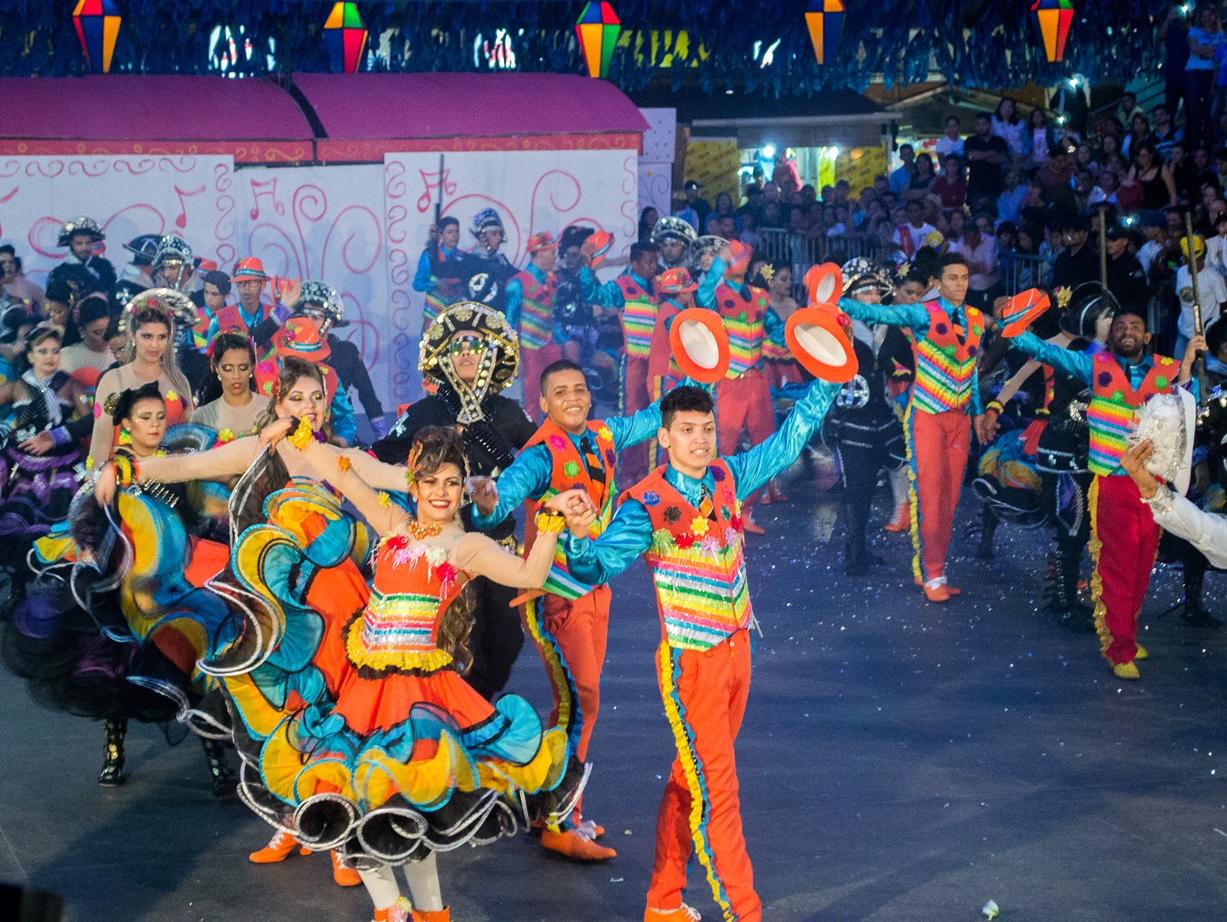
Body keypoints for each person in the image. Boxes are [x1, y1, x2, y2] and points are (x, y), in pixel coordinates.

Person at [200, 417, 587, 922]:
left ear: (463, 485)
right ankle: (392, 909)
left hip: (420, 697)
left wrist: (552, 521)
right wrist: (297, 434)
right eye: (430, 483)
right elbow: (341, 474)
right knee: (347, 800)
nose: (441, 493)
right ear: (416, 485)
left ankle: (429, 912)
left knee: (407, 808)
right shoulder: (394, 526)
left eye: (452, 482)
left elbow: (531, 574)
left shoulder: (466, 546)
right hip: (364, 692)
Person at [561, 376, 841, 922]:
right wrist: (575, 533)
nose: (700, 440)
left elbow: (784, 445)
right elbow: (594, 567)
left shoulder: (726, 476)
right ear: (663, 438)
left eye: (707, 429)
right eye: (686, 431)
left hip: (739, 653)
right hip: (692, 666)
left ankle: (663, 901)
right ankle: (745, 911)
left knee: (690, 779)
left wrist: (825, 385)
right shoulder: (644, 505)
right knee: (720, 791)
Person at [470, 358, 680, 862]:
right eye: (560, 391)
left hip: (594, 590)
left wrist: (699, 367)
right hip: (555, 598)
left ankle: (549, 805)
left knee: (573, 705)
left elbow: (655, 417)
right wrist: (485, 499)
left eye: (580, 389)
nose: (573, 397)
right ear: (542, 403)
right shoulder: (540, 456)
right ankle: (559, 823)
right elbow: (501, 503)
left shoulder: (604, 435)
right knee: (581, 705)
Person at [8, 382, 236, 796]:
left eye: (159, 418)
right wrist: (90, 550)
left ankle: (217, 761)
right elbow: (84, 515)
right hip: (121, 589)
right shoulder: (110, 471)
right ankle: (114, 752)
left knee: (193, 668)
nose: (154, 425)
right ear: (126, 424)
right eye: (144, 418)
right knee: (116, 672)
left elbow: (208, 512)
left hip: (176, 585)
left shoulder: (182, 462)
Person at [1007, 306, 1205, 678]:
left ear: (1147, 336)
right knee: (1117, 565)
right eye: (1120, 327)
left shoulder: (1167, 368)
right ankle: (1119, 648)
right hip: (1113, 482)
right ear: (1110, 337)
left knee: (1144, 563)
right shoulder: (1092, 366)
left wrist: (1191, 361)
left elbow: (1189, 402)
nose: (1127, 331)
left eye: (1135, 326)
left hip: (1153, 484)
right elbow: (1045, 352)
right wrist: (1012, 326)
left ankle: (1126, 631)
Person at [374, 304, 536, 701]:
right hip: (441, 549)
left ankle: (475, 704)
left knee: (505, 642)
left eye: (475, 346)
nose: (465, 353)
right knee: (451, 637)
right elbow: (380, 454)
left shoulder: (508, 412)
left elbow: (540, 461)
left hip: (495, 544)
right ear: (444, 357)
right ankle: (454, 715)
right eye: (457, 346)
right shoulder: (426, 410)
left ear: (490, 356)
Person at [838, 254, 990, 602]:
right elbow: (878, 313)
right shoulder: (923, 313)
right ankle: (932, 572)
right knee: (930, 495)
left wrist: (978, 413)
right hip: (927, 417)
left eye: (964, 277)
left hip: (960, 419)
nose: (960, 284)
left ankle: (936, 569)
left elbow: (972, 374)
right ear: (937, 283)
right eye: (952, 278)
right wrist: (835, 301)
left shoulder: (976, 319)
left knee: (950, 501)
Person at [825, 261, 908, 575]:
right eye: (865, 289)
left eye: (875, 289)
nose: (873, 294)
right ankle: (853, 551)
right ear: (852, 294)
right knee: (856, 487)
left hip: (882, 416)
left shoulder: (888, 325)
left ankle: (860, 548)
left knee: (871, 485)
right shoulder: (839, 326)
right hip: (851, 417)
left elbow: (908, 360)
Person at [0, 325, 92, 590]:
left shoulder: (70, 384)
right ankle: (18, 583)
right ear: (30, 356)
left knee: (56, 525)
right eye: (42, 351)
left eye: (55, 351)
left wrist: (59, 435)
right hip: (20, 466)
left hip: (62, 467)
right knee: (16, 519)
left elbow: (91, 419)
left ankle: (53, 584)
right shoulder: (16, 387)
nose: (50, 357)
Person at [696, 241, 779, 533]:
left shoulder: (760, 296)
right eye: (732, 255)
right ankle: (713, 513)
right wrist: (718, 262)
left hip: (757, 380)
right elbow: (702, 294)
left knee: (764, 448)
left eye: (741, 253)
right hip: (729, 381)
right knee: (722, 447)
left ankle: (745, 512)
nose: (737, 258)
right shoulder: (715, 294)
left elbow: (777, 328)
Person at [89, 290, 195, 470]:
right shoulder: (113, 380)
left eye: (161, 337)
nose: (155, 345)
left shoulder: (178, 380)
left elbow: (190, 440)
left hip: (171, 483)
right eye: (147, 336)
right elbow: (100, 441)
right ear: (132, 337)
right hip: (123, 483)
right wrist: (96, 484)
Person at [590, 241, 662, 484]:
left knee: (656, 415)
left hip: (659, 365)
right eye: (649, 262)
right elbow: (592, 294)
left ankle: (648, 469)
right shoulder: (622, 287)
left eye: (655, 261)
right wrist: (587, 268)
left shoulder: (660, 287)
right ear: (634, 263)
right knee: (632, 416)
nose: (654, 266)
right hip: (635, 361)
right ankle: (628, 472)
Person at [293, 280, 386, 439]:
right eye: (304, 317)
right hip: (297, 434)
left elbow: (367, 394)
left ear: (330, 323)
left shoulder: (346, 352)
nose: (308, 323)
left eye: (315, 318)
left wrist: (383, 437)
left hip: (341, 434)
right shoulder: (289, 353)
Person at [506, 232, 562, 418]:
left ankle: (556, 442)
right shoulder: (517, 283)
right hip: (529, 349)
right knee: (531, 401)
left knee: (557, 396)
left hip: (550, 345)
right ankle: (527, 444)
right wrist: (513, 358)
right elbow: (508, 323)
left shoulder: (552, 279)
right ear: (539, 253)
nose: (555, 256)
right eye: (551, 252)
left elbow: (553, 315)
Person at [191, 332, 270, 442]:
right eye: (228, 368)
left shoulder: (270, 409)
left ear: (253, 366)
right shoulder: (203, 416)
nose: (236, 375)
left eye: (243, 368)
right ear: (216, 368)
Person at [1175, 234, 1227, 357]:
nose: (1195, 263)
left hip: (1206, 335)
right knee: (1177, 369)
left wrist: (1214, 326)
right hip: (1183, 333)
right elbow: (1180, 297)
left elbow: (1224, 304)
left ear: (1203, 257)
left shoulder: (1214, 276)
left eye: (1198, 260)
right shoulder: (1181, 272)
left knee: (1206, 372)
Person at [458, 208, 517, 315]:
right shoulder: (469, 262)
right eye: (494, 234)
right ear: (482, 237)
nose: (499, 238)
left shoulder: (501, 261)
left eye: (500, 234)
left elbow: (520, 279)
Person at [413, 215, 465, 330]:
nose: (454, 236)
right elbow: (417, 284)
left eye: (457, 231)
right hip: (433, 315)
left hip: (456, 316)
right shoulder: (430, 255)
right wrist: (435, 283)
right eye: (450, 232)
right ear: (441, 235)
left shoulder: (463, 257)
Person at [1187, 3, 1225, 151]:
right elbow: (1195, 49)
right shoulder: (1195, 30)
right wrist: (1214, 50)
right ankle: (1195, 145)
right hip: (1194, 72)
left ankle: (1209, 145)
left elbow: (1222, 53)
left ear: (1215, 16)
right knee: (1194, 108)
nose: (1207, 19)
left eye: (1210, 15)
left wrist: (1206, 51)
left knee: (1211, 109)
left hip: (1212, 73)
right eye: (1204, 16)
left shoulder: (1221, 33)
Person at [47, 217, 116, 297]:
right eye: (79, 243)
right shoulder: (60, 272)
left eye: (88, 243)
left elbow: (111, 294)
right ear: (71, 245)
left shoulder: (104, 266)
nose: (85, 247)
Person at [57, 295, 113, 389]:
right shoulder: (66, 356)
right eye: (98, 332)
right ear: (82, 331)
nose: (105, 337)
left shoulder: (117, 352)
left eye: (108, 331)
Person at [964, 113, 1010, 210]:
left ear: (990, 125)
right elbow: (972, 156)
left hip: (994, 187)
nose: (981, 127)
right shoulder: (970, 140)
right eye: (978, 124)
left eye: (984, 124)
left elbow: (1003, 158)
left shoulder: (999, 141)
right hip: (975, 187)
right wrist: (992, 152)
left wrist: (980, 155)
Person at [1104, 224, 1151, 318]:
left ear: (1125, 241)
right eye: (1108, 240)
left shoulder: (1133, 265)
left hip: (1124, 316)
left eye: (1113, 240)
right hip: (1104, 313)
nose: (1109, 244)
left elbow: (1140, 296)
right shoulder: (1103, 262)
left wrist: (1123, 312)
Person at [1050, 215, 1100, 293]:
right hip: (1061, 301)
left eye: (1076, 231)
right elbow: (1055, 283)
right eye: (1068, 231)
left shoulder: (1093, 258)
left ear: (1085, 234)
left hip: (1082, 301)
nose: (1071, 234)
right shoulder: (1062, 257)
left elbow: (1093, 285)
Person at [0, 245, 45, 310]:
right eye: (3, 263)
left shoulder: (22, 283)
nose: (8, 265)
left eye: (11, 262)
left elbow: (41, 299)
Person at [992, 97, 1027, 162]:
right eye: (1004, 107)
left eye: (1010, 107)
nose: (1006, 110)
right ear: (999, 108)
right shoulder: (993, 121)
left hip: (1019, 159)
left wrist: (1022, 155)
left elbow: (1027, 142)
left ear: (1014, 109)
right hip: (999, 159)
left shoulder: (1021, 124)